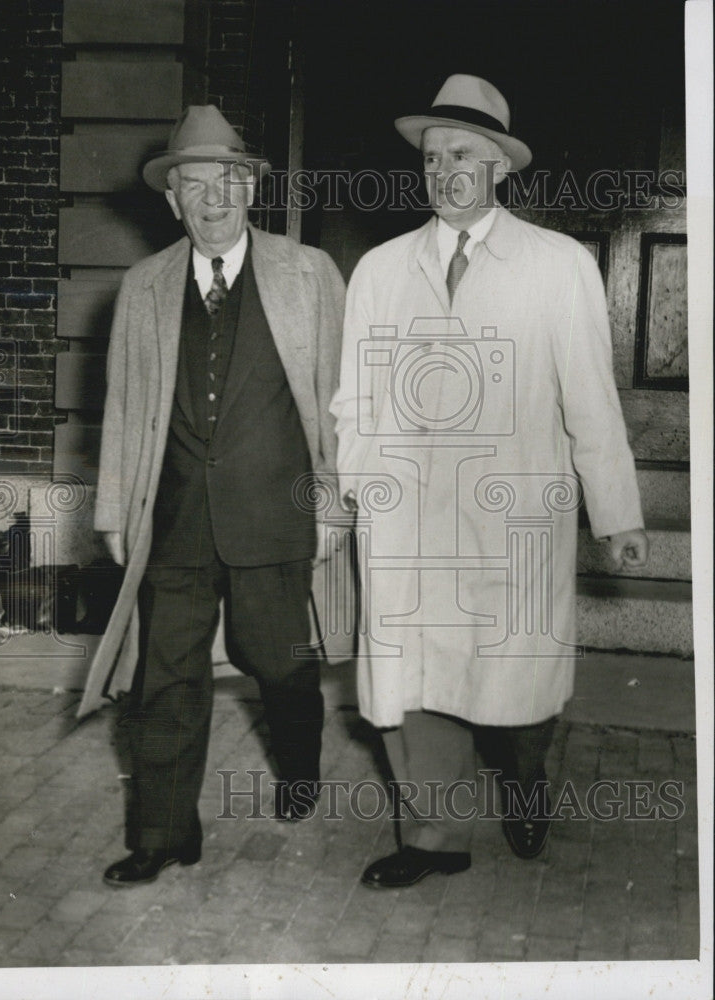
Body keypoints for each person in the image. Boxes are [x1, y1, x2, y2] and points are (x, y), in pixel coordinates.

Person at [330, 75, 649, 889]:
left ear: (500, 166)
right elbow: (355, 401)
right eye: (432, 157)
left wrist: (615, 511)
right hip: (408, 520)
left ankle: (525, 775)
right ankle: (433, 837)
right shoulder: (379, 270)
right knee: (419, 676)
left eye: (462, 154)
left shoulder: (557, 265)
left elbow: (588, 394)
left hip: (516, 513)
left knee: (517, 681)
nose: (443, 171)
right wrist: (361, 488)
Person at [78, 105, 345, 887]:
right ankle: (163, 834)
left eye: (227, 181)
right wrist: (114, 513)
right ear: (173, 202)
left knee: (279, 662)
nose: (213, 199)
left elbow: (340, 398)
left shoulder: (309, 274)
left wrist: (335, 499)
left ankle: (298, 762)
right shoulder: (143, 286)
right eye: (195, 186)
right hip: (174, 518)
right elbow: (124, 408)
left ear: (251, 188)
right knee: (165, 678)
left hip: (276, 511)